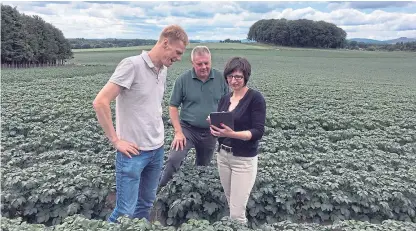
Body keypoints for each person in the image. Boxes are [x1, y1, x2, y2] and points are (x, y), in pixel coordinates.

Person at [92, 25, 188, 223]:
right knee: (124, 211)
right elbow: (100, 102)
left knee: (145, 204)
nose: (178, 58)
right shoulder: (132, 65)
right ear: (165, 43)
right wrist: (116, 141)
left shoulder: (162, 70)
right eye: (177, 52)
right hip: (133, 153)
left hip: (157, 149)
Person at [158, 46, 229, 188]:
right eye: (199, 64)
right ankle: (161, 189)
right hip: (187, 129)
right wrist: (178, 132)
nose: (204, 67)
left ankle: (196, 193)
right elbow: (173, 106)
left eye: (206, 63)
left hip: (210, 131)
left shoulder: (221, 79)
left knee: (203, 166)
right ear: (193, 63)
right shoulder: (183, 80)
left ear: (210, 61)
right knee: (174, 158)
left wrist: (221, 122)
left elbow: (227, 103)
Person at [209, 57, 266, 225]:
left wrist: (233, 134)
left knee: (236, 213)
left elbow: (258, 131)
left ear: (246, 77)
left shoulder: (255, 98)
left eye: (238, 77)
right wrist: (214, 128)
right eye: (230, 76)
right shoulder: (225, 99)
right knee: (231, 202)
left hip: (243, 160)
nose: (234, 80)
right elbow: (221, 127)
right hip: (223, 157)